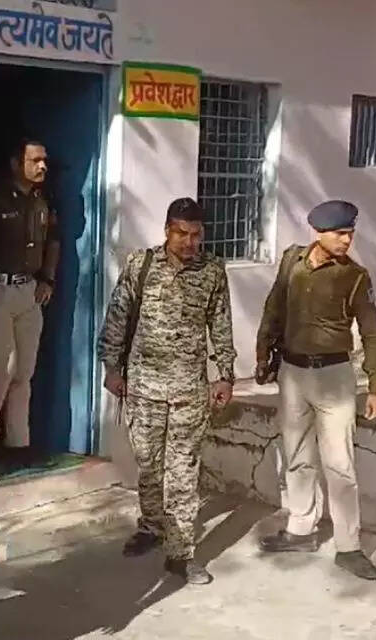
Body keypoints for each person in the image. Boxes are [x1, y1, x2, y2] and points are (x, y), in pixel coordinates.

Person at [98, 198, 236, 585]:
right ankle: (151, 526)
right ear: (167, 231)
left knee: (182, 471)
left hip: (189, 389)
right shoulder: (141, 265)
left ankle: (180, 553)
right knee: (148, 464)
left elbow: (221, 324)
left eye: (196, 235)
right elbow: (118, 316)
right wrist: (112, 367)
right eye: (181, 234)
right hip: (143, 387)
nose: (189, 242)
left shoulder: (212, 272)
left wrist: (225, 374)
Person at [254, 199, 376, 581]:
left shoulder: (355, 277)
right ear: (318, 232)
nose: (347, 240)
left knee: (340, 464)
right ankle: (300, 529)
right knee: (296, 455)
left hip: (334, 377)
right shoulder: (291, 262)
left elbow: (372, 332)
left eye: (350, 233)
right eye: (340, 233)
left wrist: (375, 386)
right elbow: (273, 308)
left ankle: (349, 546)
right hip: (293, 374)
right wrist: (262, 353)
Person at [0, 138, 59, 467]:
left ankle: (18, 444)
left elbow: (54, 241)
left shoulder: (43, 199)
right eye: (35, 160)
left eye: (44, 160)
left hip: (28, 291)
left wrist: (47, 278)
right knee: (0, 370)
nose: (42, 166)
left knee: (24, 372)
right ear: (17, 164)